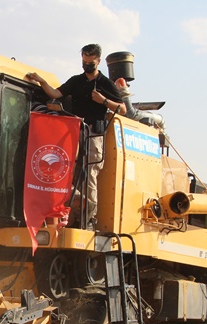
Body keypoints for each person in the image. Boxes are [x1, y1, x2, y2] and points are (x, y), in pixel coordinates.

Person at [25, 43, 125, 229]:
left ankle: (89, 219)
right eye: (84, 61)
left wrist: (103, 101)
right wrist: (42, 81)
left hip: (94, 135)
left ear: (98, 61)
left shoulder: (105, 84)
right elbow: (56, 93)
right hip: (74, 133)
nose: (87, 65)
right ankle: (70, 216)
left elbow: (123, 109)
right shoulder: (76, 81)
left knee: (90, 176)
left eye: (90, 62)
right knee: (68, 173)